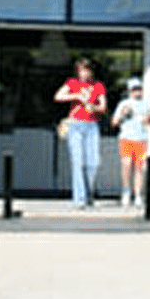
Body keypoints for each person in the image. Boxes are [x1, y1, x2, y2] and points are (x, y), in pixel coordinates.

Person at [54, 57, 107, 209]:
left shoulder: (98, 86)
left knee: (93, 162)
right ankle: (79, 198)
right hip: (76, 125)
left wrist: (93, 107)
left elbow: (103, 107)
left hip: (92, 125)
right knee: (77, 162)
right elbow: (58, 96)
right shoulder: (72, 83)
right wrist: (76, 96)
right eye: (81, 70)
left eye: (86, 70)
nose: (84, 73)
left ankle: (89, 194)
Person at [112, 77, 150, 208]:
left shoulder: (146, 104)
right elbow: (114, 122)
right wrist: (122, 115)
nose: (137, 92)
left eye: (139, 89)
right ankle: (126, 192)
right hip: (126, 138)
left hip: (141, 139)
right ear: (130, 91)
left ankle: (137, 195)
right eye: (134, 89)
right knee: (126, 165)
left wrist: (149, 119)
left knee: (140, 168)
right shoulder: (123, 104)